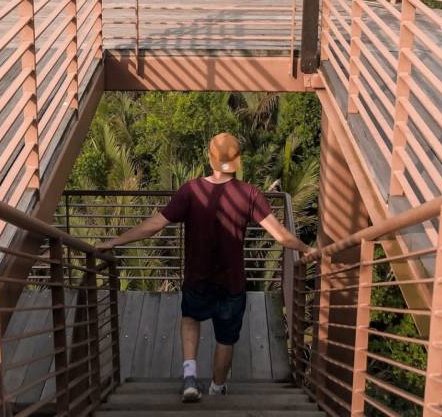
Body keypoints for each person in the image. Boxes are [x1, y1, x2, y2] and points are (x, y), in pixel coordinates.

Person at [97, 132, 320, 403]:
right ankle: (217, 387)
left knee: (190, 319)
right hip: (232, 283)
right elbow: (281, 236)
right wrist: (307, 249)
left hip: (197, 277)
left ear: (209, 158)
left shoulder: (191, 190)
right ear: (238, 161)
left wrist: (115, 241)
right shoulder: (249, 194)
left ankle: (190, 377)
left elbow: (154, 225)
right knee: (226, 338)